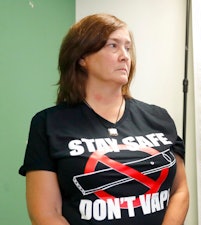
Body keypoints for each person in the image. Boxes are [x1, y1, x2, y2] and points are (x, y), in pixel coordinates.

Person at [19, 13, 189, 225]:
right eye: (113, 46)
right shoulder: (49, 124)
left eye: (128, 47)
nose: (125, 56)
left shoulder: (158, 118)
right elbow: (46, 213)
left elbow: (179, 190)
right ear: (82, 58)